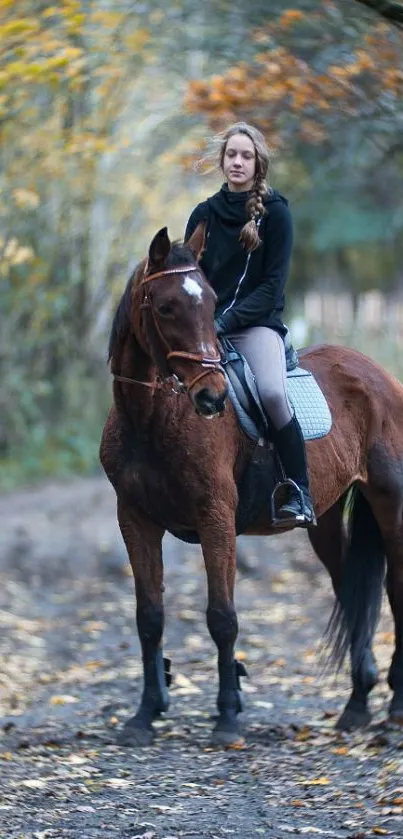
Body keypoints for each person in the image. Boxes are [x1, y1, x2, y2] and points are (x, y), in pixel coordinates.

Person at [184, 121, 315, 527]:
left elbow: (272, 288)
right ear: (222, 161)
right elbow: (192, 278)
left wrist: (226, 321)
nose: (237, 162)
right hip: (208, 329)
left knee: (274, 394)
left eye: (246, 156)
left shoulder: (276, 213)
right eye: (231, 155)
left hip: (256, 326)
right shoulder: (203, 214)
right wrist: (205, 324)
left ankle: (299, 490)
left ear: (259, 164)